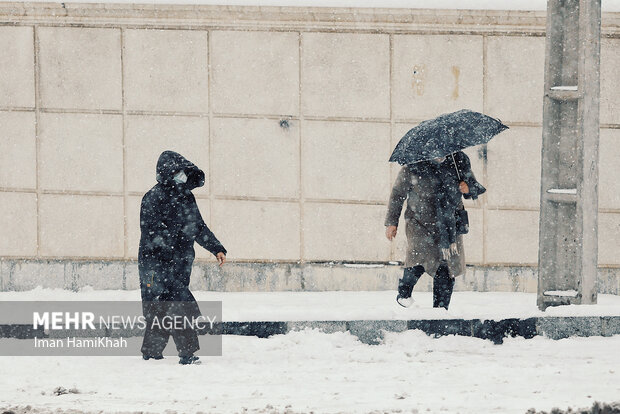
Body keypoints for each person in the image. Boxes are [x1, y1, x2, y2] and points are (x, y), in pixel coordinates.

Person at [139, 150, 227, 365]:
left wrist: (216, 248)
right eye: (179, 172)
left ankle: (154, 352)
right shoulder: (153, 197)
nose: (183, 176)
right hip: (155, 265)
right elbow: (151, 233)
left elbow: (197, 226)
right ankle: (184, 353)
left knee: (169, 306)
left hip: (179, 263)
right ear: (169, 172)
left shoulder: (186, 197)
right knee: (171, 306)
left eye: (185, 172)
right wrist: (170, 248)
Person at [385, 151, 485, 310]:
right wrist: (392, 222)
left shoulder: (458, 160)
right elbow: (398, 194)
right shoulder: (414, 164)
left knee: (445, 267)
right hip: (420, 223)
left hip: (449, 224)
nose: (439, 153)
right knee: (417, 259)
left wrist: (468, 188)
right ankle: (404, 293)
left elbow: (474, 186)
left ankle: (440, 311)